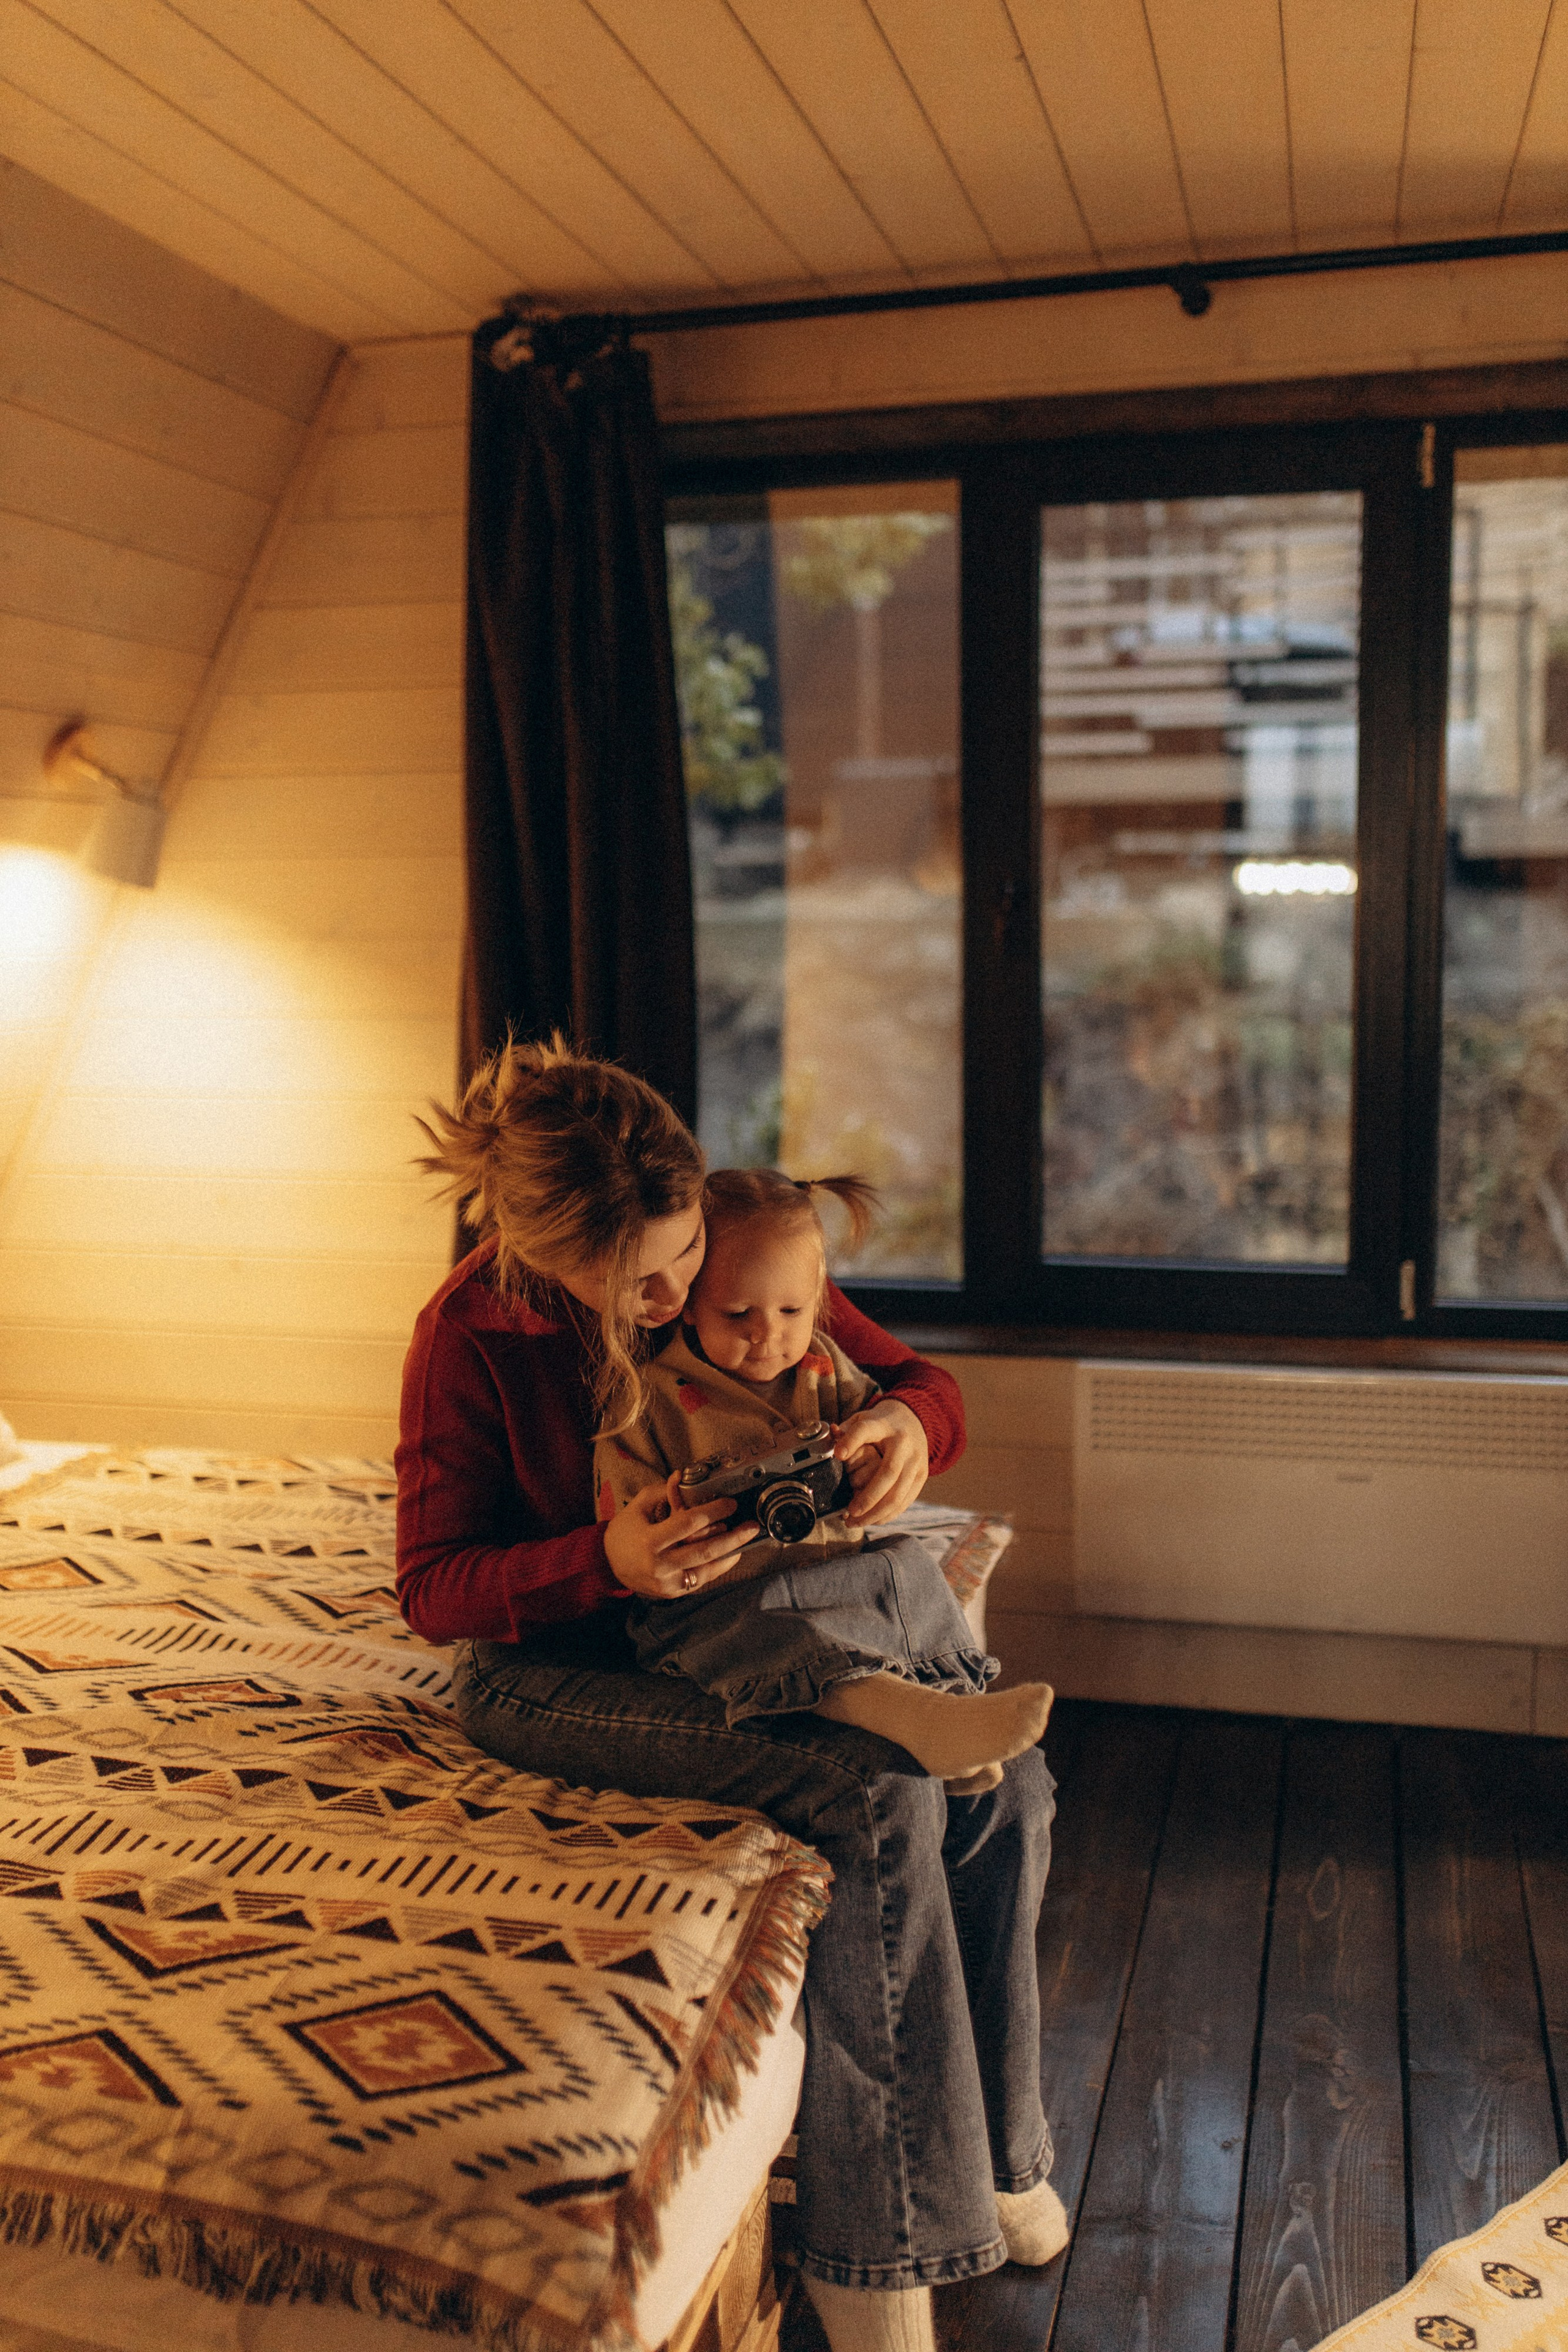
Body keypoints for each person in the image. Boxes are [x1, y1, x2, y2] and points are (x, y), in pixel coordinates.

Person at [396, 1036, 1068, 2352]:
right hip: (555, 1672)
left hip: (736, 1618)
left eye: (685, 1253)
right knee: (871, 1790)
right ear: (545, 1256)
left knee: (1011, 1784)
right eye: (638, 1281)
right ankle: (872, 2270)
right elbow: (433, 1587)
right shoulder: (468, 1334)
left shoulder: (716, 1248)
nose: (678, 1290)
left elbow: (909, 1377)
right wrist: (604, 1560)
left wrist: (903, 1433)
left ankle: (1003, 2153)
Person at [596, 1166, 1055, 1793]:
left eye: (791, 1309)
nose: (767, 1335)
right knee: (777, 1627)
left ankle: (952, 1706)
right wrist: (666, 1519)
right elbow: (625, 1516)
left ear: (818, 1297)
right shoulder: (649, 1400)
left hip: (829, 1571)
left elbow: (890, 1418)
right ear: (686, 1303)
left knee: (907, 1568)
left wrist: (876, 1460)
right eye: (736, 1314)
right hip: (720, 1603)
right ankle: (922, 1719)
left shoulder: (823, 1366)